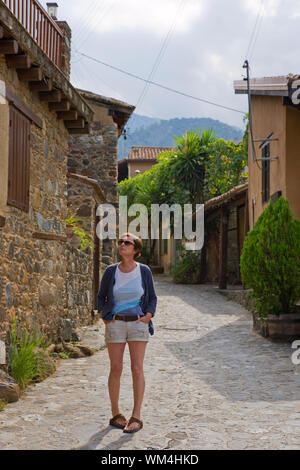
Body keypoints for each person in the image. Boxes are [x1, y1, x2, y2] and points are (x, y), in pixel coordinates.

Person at [97, 232, 157, 433]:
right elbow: (101, 295)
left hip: (138, 324)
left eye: (127, 242)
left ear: (136, 250)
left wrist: (148, 315)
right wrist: (104, 315)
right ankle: (116, 414)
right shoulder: (111, 271)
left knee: (137, 368)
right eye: (121, 242)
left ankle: (136, 416)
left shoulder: (144, 271)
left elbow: (152, 297)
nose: (122, 244)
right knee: (115, 368)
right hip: (116, 324)